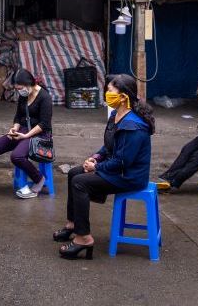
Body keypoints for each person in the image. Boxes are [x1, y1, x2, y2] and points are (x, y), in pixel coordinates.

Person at [53, 74, 155, 260]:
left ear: (123, 96)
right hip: (118, 169)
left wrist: (97, 167)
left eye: (110, 91)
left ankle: (84, 238)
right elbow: (108, 146)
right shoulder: (116, 115)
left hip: (129, 176)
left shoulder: (133, 126)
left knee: (80, 182)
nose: (106, 94)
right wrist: (95, 158)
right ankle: (73, 224)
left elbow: (123, 162)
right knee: (74, 173)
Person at [0, 68, 53, 199]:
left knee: (16, 156)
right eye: (17, 89)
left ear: (29, 84)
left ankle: (39, 179)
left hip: (39, 134)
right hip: (22, 131)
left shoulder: (45, 97)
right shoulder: (23, 95)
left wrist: (26, 135)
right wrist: (14, 129)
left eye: (20, 88)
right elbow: (18, 116)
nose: (19, 91)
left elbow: (44, 124)